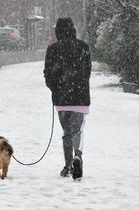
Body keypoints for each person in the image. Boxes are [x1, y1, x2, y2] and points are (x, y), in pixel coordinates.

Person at [43, 18, 91, 180]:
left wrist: (55, 89)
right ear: (73, 29)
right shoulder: (83, 47)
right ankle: (78, 155)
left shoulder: (52, 49)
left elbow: (48, 74)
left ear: (58, 31)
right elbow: (87, 72)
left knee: (66, 132)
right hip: (80, 98)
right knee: (78, 130)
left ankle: (68, 165)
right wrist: (80, 85)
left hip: (62, 99)